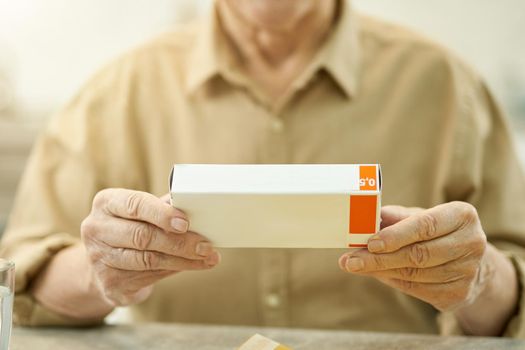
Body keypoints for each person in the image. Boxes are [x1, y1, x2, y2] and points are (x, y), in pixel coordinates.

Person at [2, 0, 525, 338]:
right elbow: (19, 282)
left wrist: (478, 280)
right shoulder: (118, 90)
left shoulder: (447, 86)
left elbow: (513, 289)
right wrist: (99, 273)